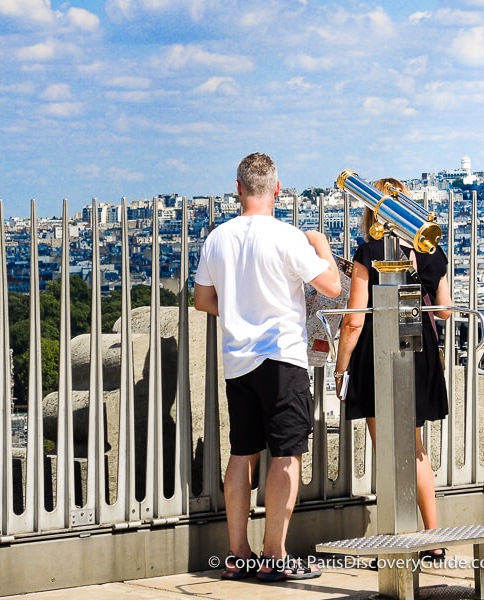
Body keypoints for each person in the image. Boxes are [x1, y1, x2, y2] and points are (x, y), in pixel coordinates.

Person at [194, 153, 341, 581]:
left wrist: (239, 312)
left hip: (238, 361)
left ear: (237, 188)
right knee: (287, 455)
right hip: (282, 358)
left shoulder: (217, 239)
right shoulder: (288, 236)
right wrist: (323, 247)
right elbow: (331, 286)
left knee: (242, 453)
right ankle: (274, 555)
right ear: (277, 189)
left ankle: (238, 555)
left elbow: (203, 301)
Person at [334, 178, 452, 555]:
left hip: (378, 351)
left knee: (386, 446)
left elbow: (353, 319)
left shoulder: (369, 251)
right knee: (415, 448)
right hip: (420, 347)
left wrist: (340, 369)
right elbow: (446, 309)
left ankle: (396, 537)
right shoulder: (433, 252)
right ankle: (433, 537)